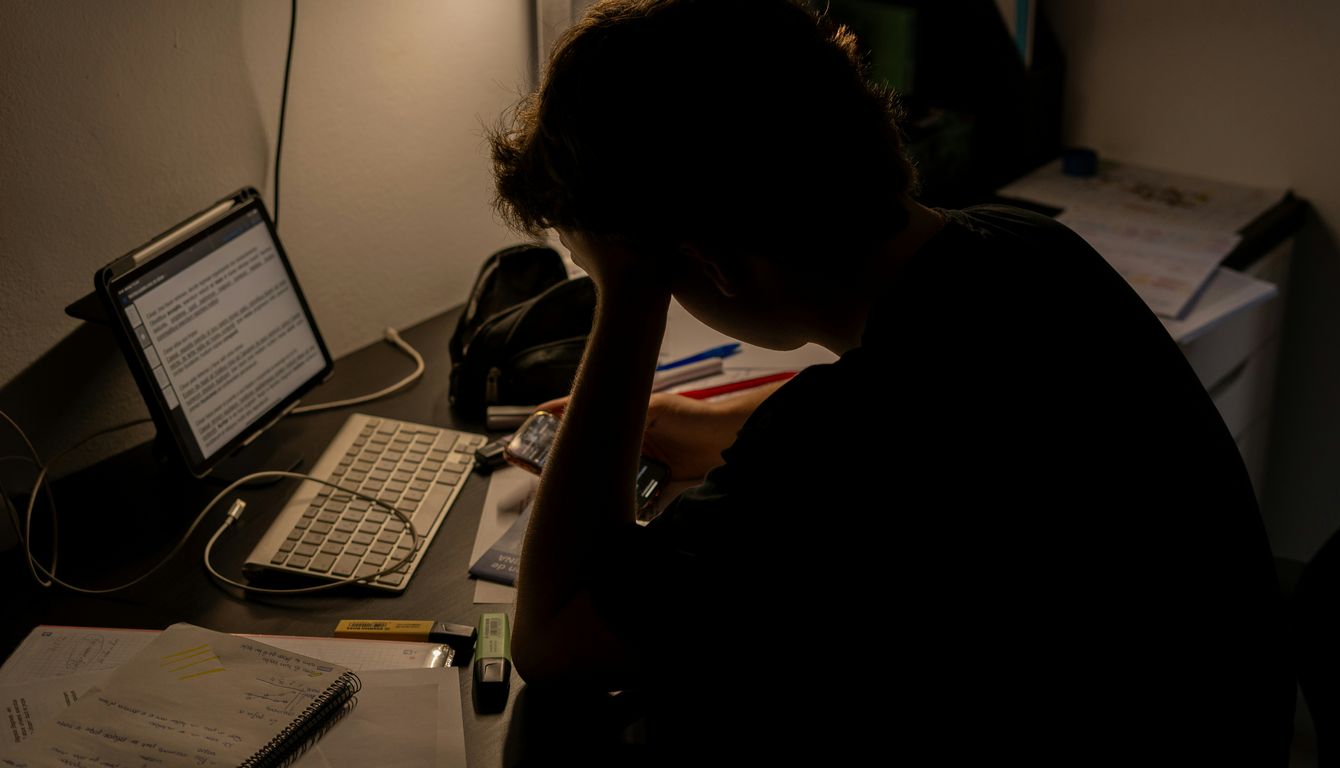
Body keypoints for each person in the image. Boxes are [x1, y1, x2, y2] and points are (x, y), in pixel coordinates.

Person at [489, 0, 1291, 762]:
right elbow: (947, 397)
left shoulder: (845, 443)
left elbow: (554, 640)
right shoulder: (1027, 249)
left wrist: (628, 295)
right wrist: (710, 425)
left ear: (709, 263)